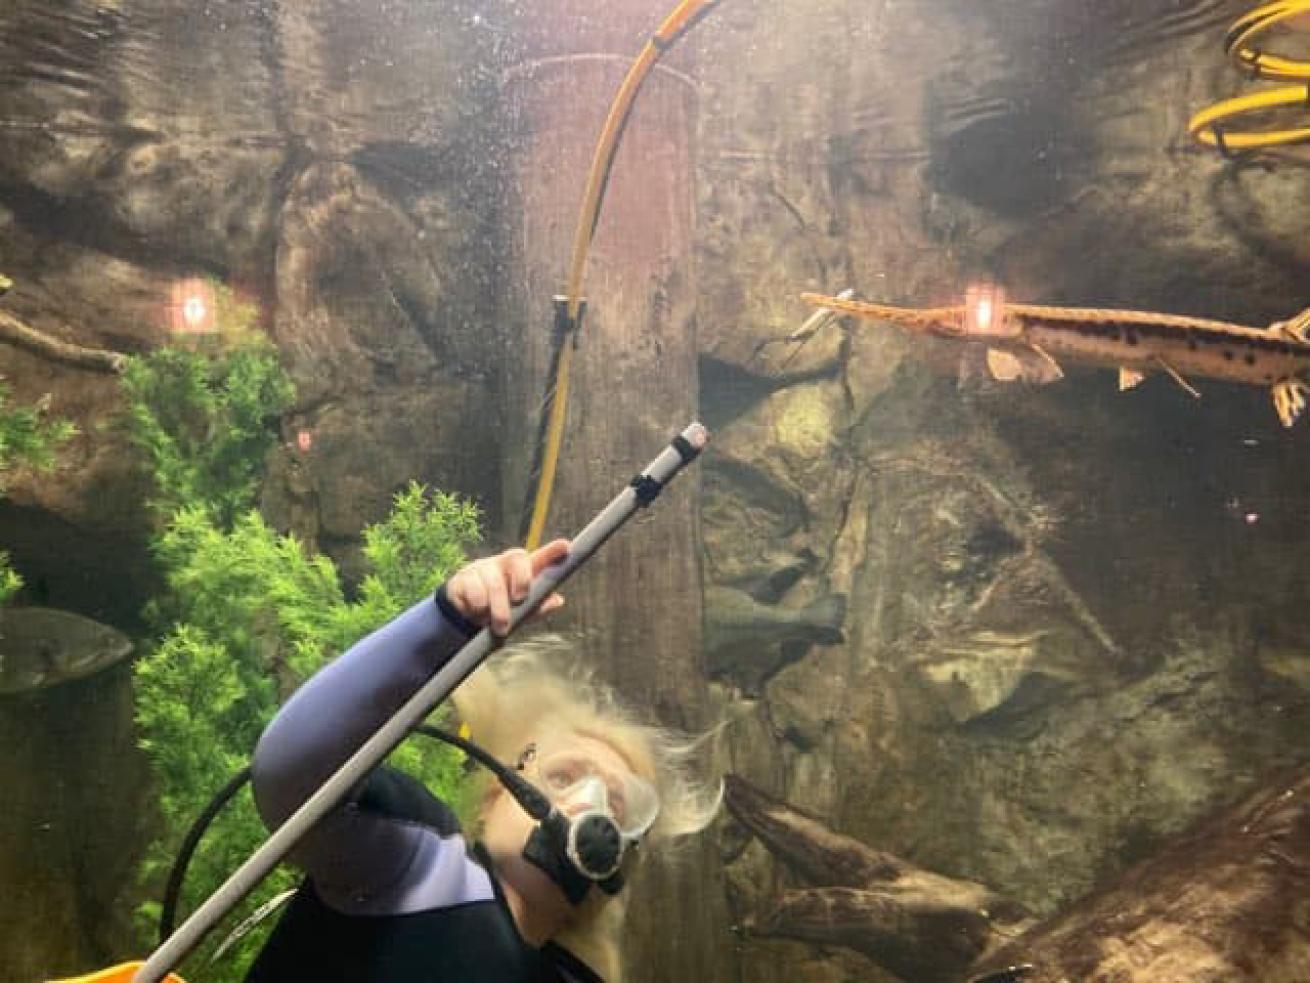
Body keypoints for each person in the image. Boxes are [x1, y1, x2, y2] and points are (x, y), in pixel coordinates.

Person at [244, 539, 719, 982]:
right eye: (562, 776)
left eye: (615, 809)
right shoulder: (417, 860)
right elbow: (291, 776)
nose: (587, 806)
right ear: (495, 796)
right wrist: (444, 621)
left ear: (613, 868)